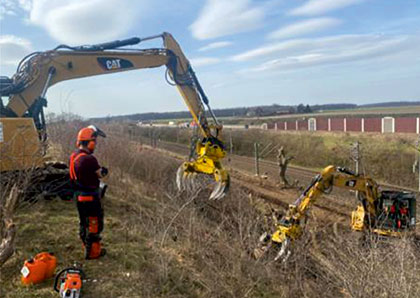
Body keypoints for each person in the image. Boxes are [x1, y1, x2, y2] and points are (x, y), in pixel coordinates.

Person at [69, 125, 108, 260]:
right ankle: (93, 253)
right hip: (90, 197)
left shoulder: (74, 156)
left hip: (78, 195)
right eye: (94, 142)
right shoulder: (89, 159)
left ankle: (86, 247)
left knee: (83, 223)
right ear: (90, 142)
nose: (95, 145)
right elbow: (99, 174)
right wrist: (104, 171)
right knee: (94, 223)